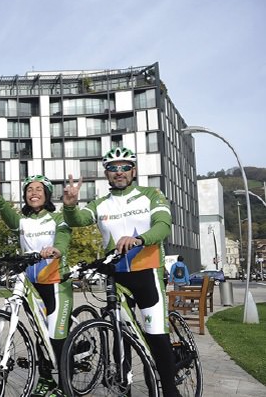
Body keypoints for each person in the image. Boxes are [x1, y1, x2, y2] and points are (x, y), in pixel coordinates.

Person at [62, 146, 178, 397]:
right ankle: (123, 388)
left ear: (133, 170)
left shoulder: (151, 195)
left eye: (125, 167)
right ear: (106, 173)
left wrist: (140, 239)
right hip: (116, 276)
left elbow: (163, 225)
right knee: (120, 335)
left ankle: (169, 390)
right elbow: (78, 220)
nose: (119, 172)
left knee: (156, 336)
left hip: (147, 272)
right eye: (113, 168)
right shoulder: (100, 203)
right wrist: (70, 206)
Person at [0, 172, 72, 397]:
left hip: (56, 283)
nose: (33, 193)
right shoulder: (22, 221)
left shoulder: (58, 217)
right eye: (29, 190)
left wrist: (57, 250)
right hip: (33, 285)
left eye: (38, 190)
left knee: (56, 337)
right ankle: (45, 379)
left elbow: (63, 237)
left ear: (47, 195)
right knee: (39, 335)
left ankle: (65, 386)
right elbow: (7, 215)